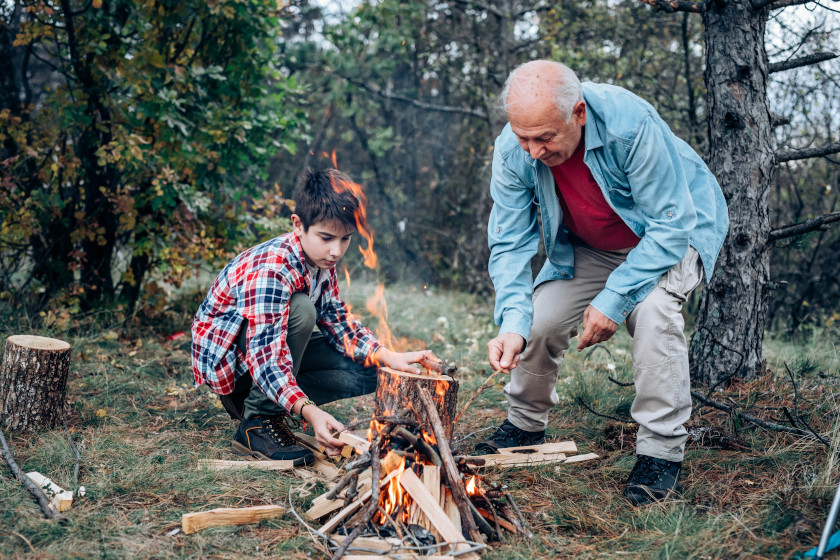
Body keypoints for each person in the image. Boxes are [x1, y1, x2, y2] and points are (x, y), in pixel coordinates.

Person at [480, 60, 729, 505]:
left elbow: (670, 227)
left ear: (577, 114)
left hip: (672, 232)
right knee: (538, 322)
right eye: (524, 137)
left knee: (651, 312)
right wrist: (511, 323)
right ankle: (523, 425)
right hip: (594, 246)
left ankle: (661, 453)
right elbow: (509, 244)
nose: (533, 151)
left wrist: (614, 299)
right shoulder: (513, 148)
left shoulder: (630, 125)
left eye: (545, 138)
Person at [191, 168, 431, 466]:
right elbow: (265, 358)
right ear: (298, 225)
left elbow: (338, 322)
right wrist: (310, 410)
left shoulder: (320, 260)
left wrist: (387, 355)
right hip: (238, 370)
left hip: (270, 355)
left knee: (374, 369)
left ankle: (280, 404)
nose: (335, 251)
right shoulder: (272, 271)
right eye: (327, 237)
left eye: (345, 240)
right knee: (302, 309)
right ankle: (256, 421)